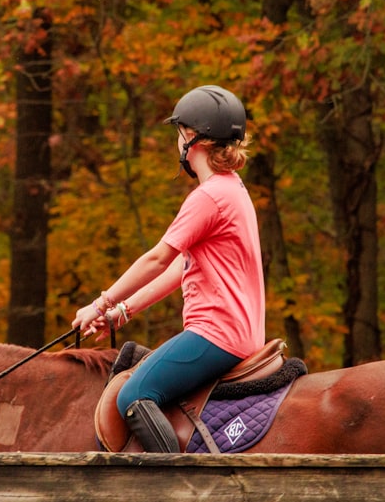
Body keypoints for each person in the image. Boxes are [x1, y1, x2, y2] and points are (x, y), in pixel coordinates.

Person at [71, 84, 266, 453]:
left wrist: (98, 304)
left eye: (179, 134)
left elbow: (156, 258)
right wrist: (121, 313)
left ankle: (178, 490)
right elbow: (180, 267)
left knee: (133, 396)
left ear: (194, 140)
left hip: (215, 335)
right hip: (238, 334)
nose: (177, 142)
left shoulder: (207, 198)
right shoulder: (233, 189)